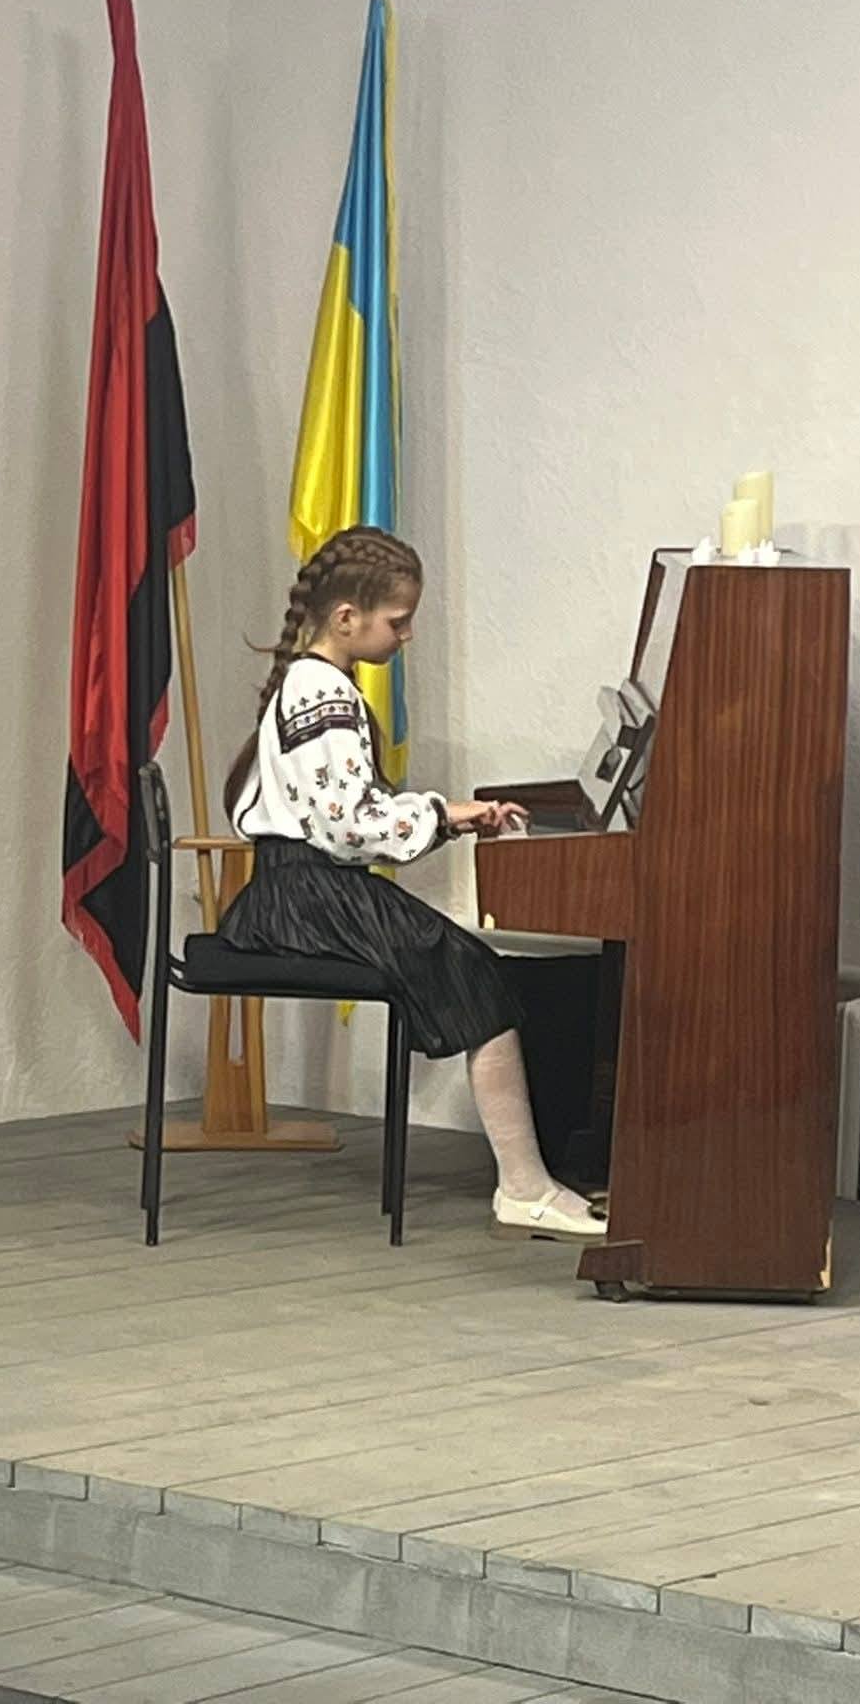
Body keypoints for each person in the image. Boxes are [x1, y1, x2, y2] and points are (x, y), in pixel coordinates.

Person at [220, 525, 606, 1241]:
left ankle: (531, 1180)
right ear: (347, 618)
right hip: (311, 897)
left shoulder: (306, 681)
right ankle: (525, 1188)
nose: (407, 635)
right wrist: (442, 814)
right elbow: (349, 828)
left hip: (291, 892)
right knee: (478, 977)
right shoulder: (325, 694)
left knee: (476, 971)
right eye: (398, 621)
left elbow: (343, 813)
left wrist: (450, 815)